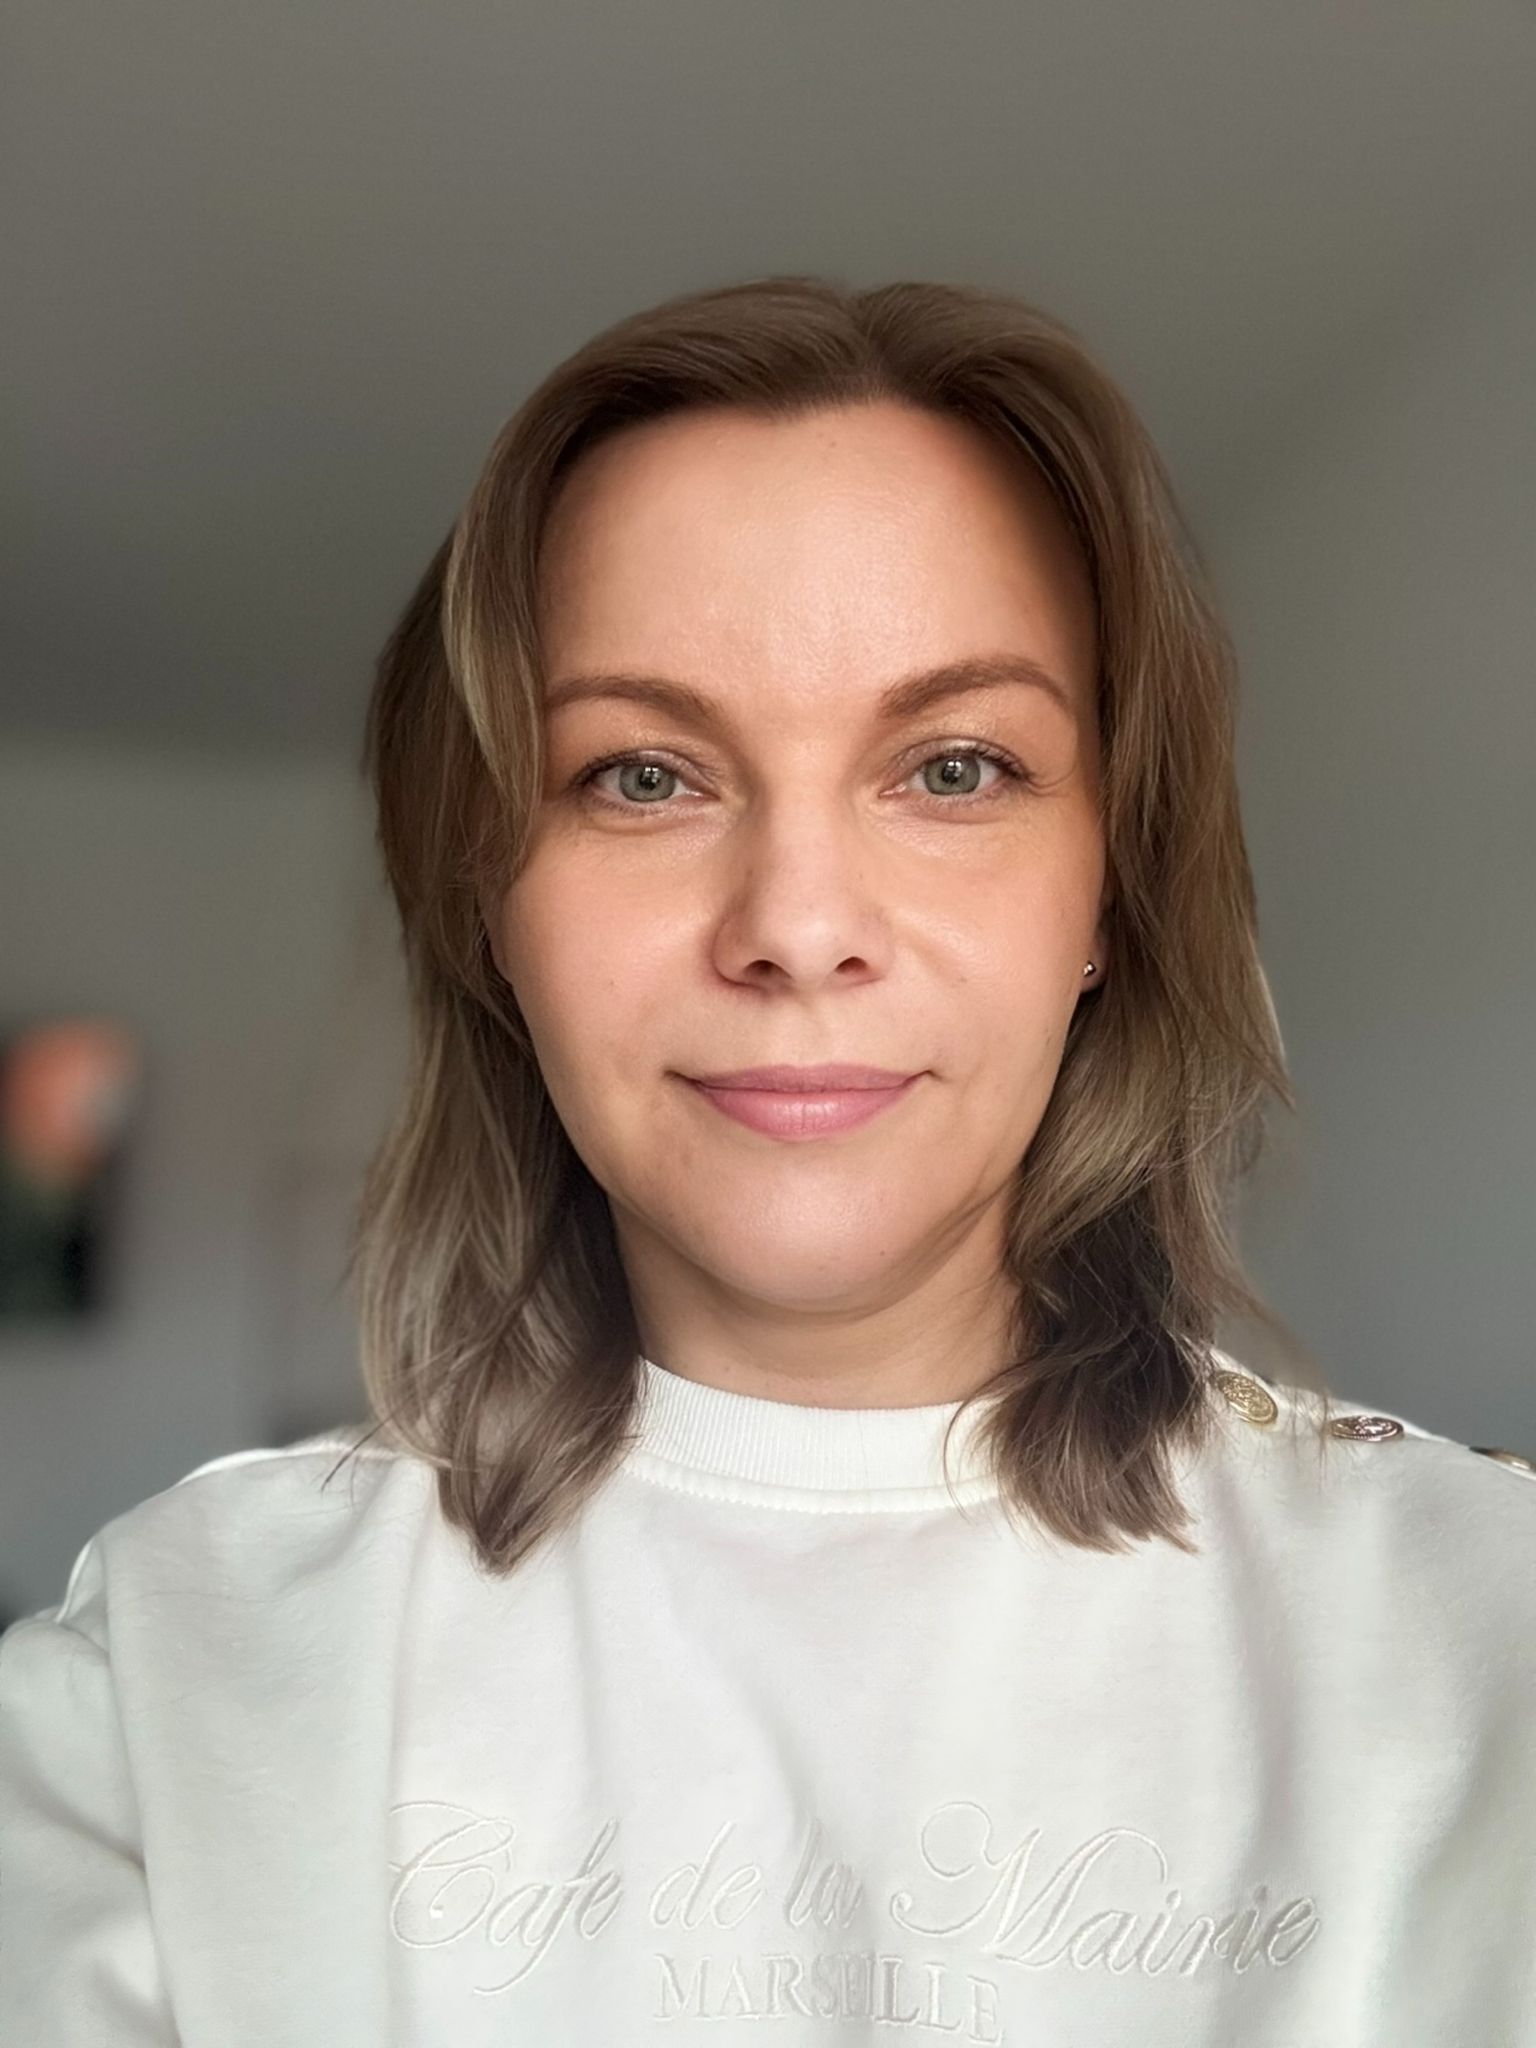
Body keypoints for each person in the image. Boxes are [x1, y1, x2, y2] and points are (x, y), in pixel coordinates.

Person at [2, 274, 1532, 2046]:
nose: (798, 928)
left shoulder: (1481, 1636)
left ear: (1109, 891)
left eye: (954, 768)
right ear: (490, 904)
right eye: (643, 777)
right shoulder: (168, 1686)